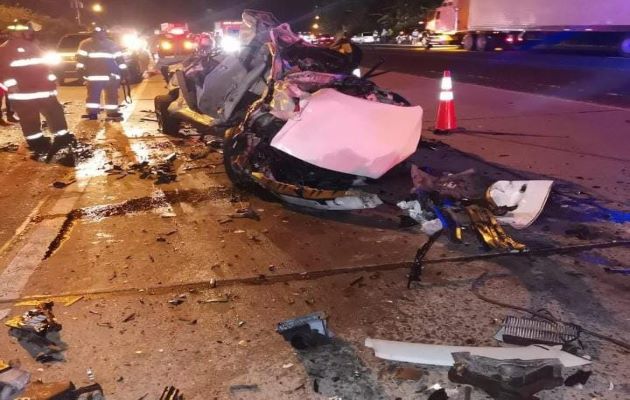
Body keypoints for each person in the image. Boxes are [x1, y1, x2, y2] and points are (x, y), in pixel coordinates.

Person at [0, 19, 73, 159]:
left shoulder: (33, 46)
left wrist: (51, 81)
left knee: (55, 113)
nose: (31, 32)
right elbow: (3, 72)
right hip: (24, 94)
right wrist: (13, 86)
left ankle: (62, 137)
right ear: (18, 31)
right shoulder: (5, 49)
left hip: (45, 91)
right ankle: (37, 142)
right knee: (30, 119)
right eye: (28, 30)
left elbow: (44, 66)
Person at [76, 25, 127, 120]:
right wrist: (80, 70)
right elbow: (80, 59)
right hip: (94, 76)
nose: (101, 34)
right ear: (94, 33)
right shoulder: (86, 44)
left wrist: (123, 70)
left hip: (111, 75)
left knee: (112, 95)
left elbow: (119, 59)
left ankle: (112, 112)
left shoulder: (111, 44)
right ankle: (92, 113)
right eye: (99, 32)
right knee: (93, 96)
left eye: (103, 32)